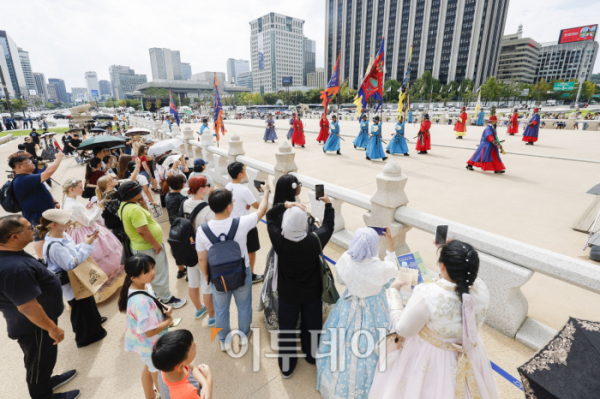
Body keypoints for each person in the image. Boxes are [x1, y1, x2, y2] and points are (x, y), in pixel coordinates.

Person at [369, 240, 500, 399]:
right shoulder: (481, 289)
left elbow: (404, 329)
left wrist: (393, 293)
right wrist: (455, 253)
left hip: (431, 356)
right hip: (469, 353)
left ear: (442, 266)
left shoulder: (427, 294)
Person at [0, 215, 80, 399]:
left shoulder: (10, 253)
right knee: (38, 362)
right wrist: (52, 328)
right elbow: (27, 307)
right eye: (29, 228)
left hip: (36, 323)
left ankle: (46, 381)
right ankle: (43, 395)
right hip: (34, 326)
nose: (35, 229)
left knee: (42, 360)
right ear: (14, 237)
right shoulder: (13, 269)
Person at [316, 227, 398, 398]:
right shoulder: (380, 268)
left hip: (348, 305)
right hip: (374, 309)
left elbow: (340, 279)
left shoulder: (346, 259)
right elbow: (393, 269)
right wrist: (390, 243)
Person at [266, 193, 334, 378]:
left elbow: (270, 216)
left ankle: (287, 366)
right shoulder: (315, 240)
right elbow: (328, 225)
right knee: (312, 324)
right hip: (312, 291)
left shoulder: (279, 241)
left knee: (287, 328)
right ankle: (312, 356)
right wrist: (328, 204)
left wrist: (285, 204)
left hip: (288, 293)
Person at [196, 186, 270, 351]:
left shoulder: (202, 230)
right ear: (229, 207)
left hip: (218, 277)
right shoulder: (241, 223)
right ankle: (244, 335)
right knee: (244, 306)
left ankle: (223, 340)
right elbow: (262, 210)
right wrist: (265, 192)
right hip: (241, 273)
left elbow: (202, 258)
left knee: (221, 309)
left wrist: (208, 275)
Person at [39, 209, 107, 348]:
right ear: (54, 225)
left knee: (87, 303)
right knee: (80, 308)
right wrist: (86, 245)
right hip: (70, 283)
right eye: (66, 221)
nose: (70, 222)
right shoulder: (55, 246)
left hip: (76, 279)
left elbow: (73, 251)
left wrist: (84, 243)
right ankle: (84, 337)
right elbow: (70, 264)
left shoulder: (62, 234)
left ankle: (94, 325)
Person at [118, 180, 187, 308]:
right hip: (148, 247)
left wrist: (142, 203)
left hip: (140, 246)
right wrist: (156, 244)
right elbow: (142, 231)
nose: (142, 192)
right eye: (138, 191)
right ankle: (167, 299)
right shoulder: (134, 209)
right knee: (159, 272)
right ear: (132, 194)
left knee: (150, 274)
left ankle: (157, 295)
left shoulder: (124, 205)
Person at [118, 254, 173, 399]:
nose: (153, 272)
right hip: (150, 344)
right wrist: (168, 321)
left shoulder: (140, 286)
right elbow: (150, 332)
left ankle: (149, 395)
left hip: (142, 343)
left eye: (152, 267)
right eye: (147, 271)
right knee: (157, 372)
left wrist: (162, 306)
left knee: (149, 368)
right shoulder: (141, 302)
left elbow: (152, 299)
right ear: (133, 277)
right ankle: (162, 395)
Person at [61, 179, 125, 301]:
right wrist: (98, 207)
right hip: (87, 231)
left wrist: (87, 209)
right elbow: (89, 221)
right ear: (71, 189)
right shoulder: (74, 204)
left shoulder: (66, 201)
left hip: (77, 232)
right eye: (80, 187)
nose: (83, 189)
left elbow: (79, 218)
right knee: (101, 255)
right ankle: (105, 286)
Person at [258, 174, 303, 330]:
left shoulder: (278, 209)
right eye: (299, 184)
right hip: (294, 251)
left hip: (277, 251)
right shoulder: (291, 210)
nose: (300, 187)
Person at [10, 152, 64, 258]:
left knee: (46, 236)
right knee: (41, 238)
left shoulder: (29, 177)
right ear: (19, 167)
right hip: (37, 216)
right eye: (28, 161)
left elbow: (42, 190)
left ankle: (48, 257)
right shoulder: (24, 180)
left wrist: (54, 202)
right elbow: (48, 172)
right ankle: (41, 259)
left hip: (42, 214)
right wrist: (58, 158)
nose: (32, 162)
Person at [182, 176, 215, 324]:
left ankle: (198, 309)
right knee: (207, 285)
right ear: (201, 189)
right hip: (203, 252)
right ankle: (212, 317)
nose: (210, 187)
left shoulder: (185, 203)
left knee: (193, 283)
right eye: (208, 185)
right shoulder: (207, 209)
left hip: (188, 250)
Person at [225, 162, 264, 284]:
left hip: (231, 224)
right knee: (251, 250)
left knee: (237, 250)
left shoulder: (227, 187)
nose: (246, 172)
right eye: (244, 170)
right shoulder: (244, 190)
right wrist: (264, 193)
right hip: (246, 225)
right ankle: (250, 275)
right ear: (240, 174)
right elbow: (258, 206)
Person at [152, 330, 213, 399]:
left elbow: (192, 368)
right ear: (181, 366)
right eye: (193, 347)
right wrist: (209, 377)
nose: (196, 344)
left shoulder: (165, 366)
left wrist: (205, 384)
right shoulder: (187, 393)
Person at [165, 174, 189, 280]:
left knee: (176, 249)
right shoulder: (182, 199)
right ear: (181, 184)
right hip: (183, 227)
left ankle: (180, 270)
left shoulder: (167, 195)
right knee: (187, 249)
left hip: (173, 226)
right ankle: (190, 272)